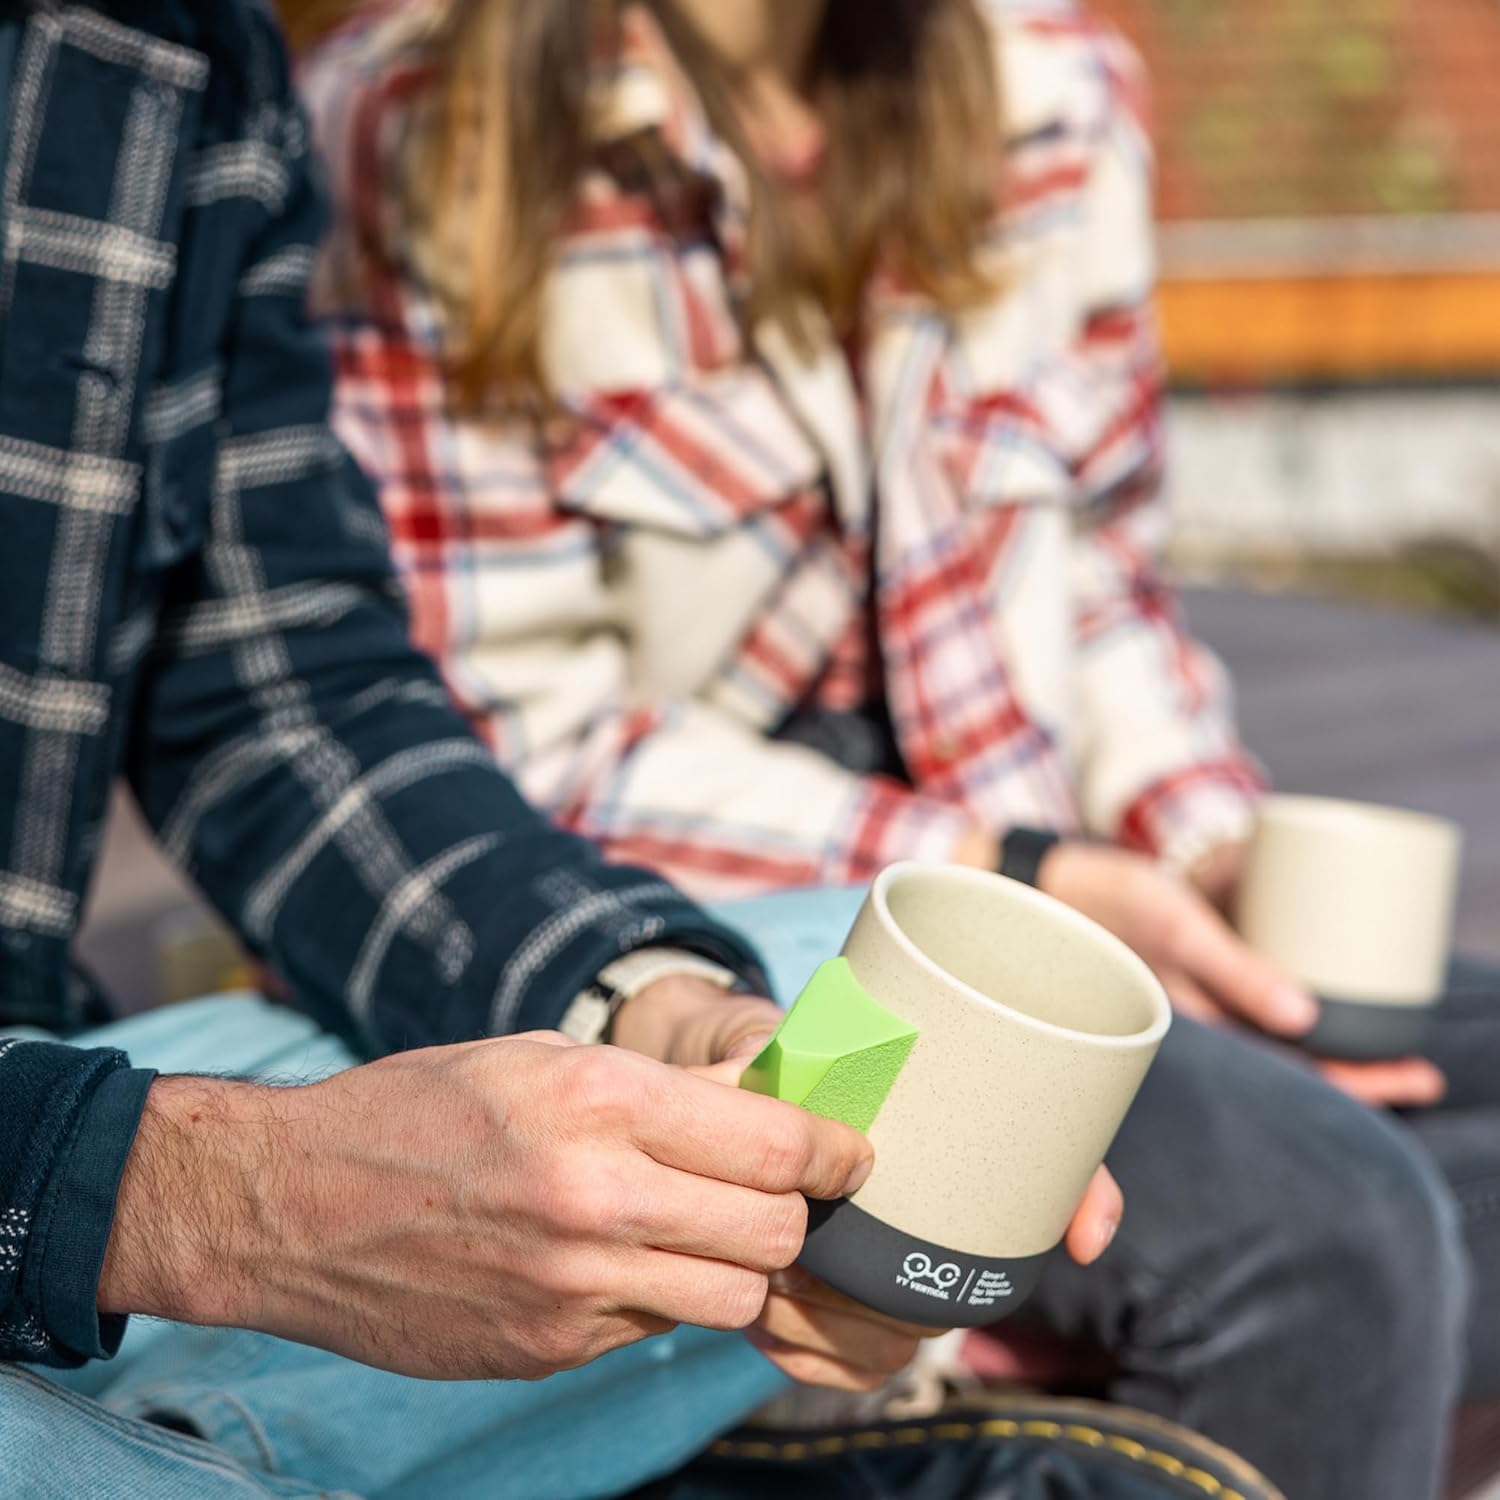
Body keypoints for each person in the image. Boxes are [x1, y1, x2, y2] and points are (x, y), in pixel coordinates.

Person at [302, 0, 1500, 1494]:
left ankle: (985, 1359)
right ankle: (909, 1373)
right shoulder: (420, 123)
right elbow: (504, 750)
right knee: (1334, 1233)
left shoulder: (1053, 83)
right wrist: (1012, 870)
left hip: (1054, 903)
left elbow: (1107, 584)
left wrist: (1206, 849)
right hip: (725, 941)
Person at [0, 3, 1181, 1497]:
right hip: (71, 1148)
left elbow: (282, 703)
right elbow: (543, 730)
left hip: (55, 1078)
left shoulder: (169, 51)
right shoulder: (416, 113)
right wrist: (206, 1201)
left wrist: (657, 1010)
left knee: (859, 1010)